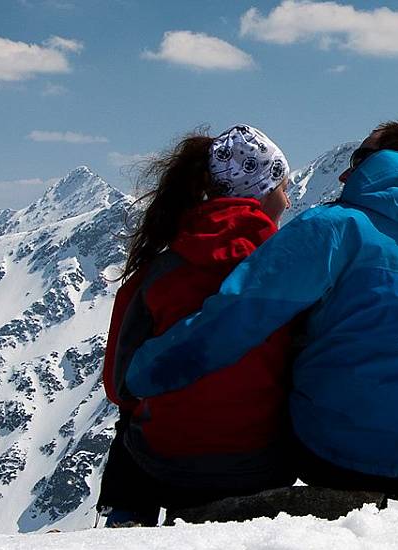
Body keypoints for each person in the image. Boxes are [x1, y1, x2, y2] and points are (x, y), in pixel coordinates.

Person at [122, 121, 398, 518]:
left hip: (328, 456)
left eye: (358, 159)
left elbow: (235, 319)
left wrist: (142, 374)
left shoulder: (331, 230)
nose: (344, 175)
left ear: (378, 164)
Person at [97, 125, 300, 527]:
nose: (288, 199)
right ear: (259, 189)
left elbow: (119, 384)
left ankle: (126, 521)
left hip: (164, 465)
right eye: (281, 186)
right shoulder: (290, 269)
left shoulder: (160, 269)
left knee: (128, 428)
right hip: (261, 466)